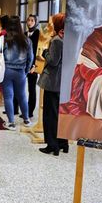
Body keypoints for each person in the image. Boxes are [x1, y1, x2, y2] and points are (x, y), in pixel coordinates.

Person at [38, 13, 68, 155]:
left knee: (50, 115)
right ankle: (63, 143)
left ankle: (52, 145)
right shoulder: (67, 38)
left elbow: (53, 61)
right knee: (59, 114)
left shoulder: (56, 40)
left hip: (53, 81)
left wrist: (45, 53)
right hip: (62, 81)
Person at [0, 16, 33, 130]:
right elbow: (30, 57)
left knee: (8, 97)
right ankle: (26, 119)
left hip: (7, 70)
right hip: (20, 71)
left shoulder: (4, 39)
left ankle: (11, 122)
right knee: (22, 96)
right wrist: (26, 70)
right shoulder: (26, 39)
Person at [25, 14, 40, 119]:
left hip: (33, 65)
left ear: (36, 22)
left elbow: (38, 50)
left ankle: (30, 111)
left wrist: (35, 65)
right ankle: (23, 109)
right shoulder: (25, 33)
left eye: (32, 20)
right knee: (22, 88)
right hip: (24, 64)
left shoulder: (39, 34)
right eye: (28, 20)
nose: (29, 22)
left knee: (31, 88)